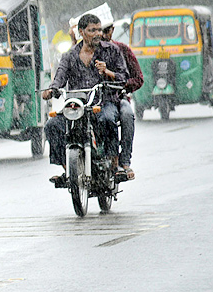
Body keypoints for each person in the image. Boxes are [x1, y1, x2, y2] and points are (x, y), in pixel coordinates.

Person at [42, 13, 129, 186]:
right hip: (77, 106)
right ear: (81, 32)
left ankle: (114, 163)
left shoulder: (111, 51)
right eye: (92, 30)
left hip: (104, 102)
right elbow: (59, 78)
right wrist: (51, 90)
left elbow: (124, 77)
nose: (97, 34)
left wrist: (108, 73)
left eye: (99, 30)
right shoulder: (69, 56)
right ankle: (67, 169)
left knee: (108, 119)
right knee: (52, 126)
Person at [102, 17, 143, 181]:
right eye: (97, 31)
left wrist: (122, 84)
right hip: (94, 100)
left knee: (127, 115)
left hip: (117, 98)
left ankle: (123, 160)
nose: (101, 35)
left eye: (105, 31)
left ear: (112, 30)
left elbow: (138, 78)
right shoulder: (86, 51)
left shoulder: (122, 50)